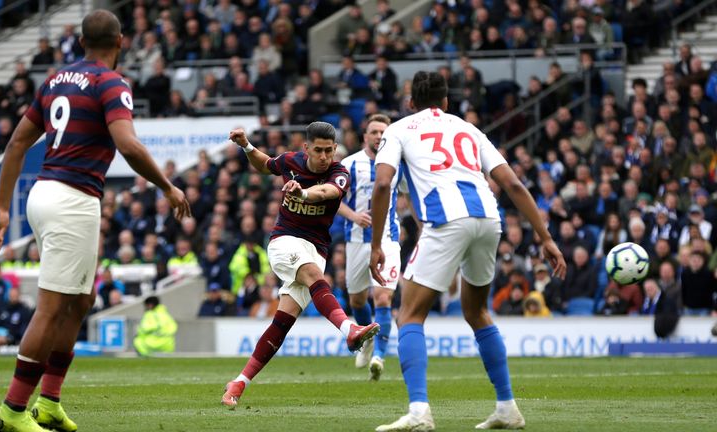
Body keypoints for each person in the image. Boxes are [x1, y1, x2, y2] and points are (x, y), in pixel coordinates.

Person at [0, 10, 190, 432]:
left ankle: (50, 402)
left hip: (45, 194)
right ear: (121, 42)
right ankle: (13, 411)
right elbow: (128, 146)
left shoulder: (56, 79)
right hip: (72, 198)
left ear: (80, 43)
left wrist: (3, 205)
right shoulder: (111, 83)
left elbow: (18, 141)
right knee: (53, 306)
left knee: (81, 301)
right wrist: (167, 186)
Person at [369, 71, 566, 431]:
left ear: (410, 103)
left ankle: (419, 412)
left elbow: (383, 183)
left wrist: (378, 244)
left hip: (446, 220)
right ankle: (507, 407)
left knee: (409, 315)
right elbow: (512, 183)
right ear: (446, 102)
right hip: (489, 219)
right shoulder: (468, 129)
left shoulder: (398, 129)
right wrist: (546, 237)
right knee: (476, 312)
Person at [221, 123, 380, 409]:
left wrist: (302, 193)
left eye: (329, 151)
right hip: (285, 241)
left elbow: (327, 193)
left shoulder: (339, 173)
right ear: (306, 148)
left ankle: (239, 382)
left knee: (282, 323)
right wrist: (245, 146)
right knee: (314, 275)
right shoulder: (290, 161)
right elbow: (265, 163)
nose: (324, 156)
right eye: (318, 150)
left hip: (316, 249)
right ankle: (349, 330)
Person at [338, 114, 401, 380]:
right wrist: (354, 216)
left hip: (388, 237)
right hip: (356, 239)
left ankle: (379, 357)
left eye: (382, 133)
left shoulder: (399, 163)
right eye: (373, 132)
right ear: (365, 136)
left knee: (384, 297)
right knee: (357, 300)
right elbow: (333, 200)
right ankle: (368, 340)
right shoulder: (349, 164)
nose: (377, 136)